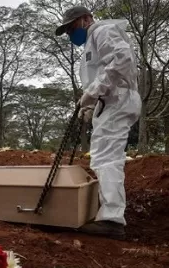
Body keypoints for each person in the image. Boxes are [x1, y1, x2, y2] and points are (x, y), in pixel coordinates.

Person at [55, 6, 141, 239]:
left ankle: (112, 219)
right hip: (111, 102)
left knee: (106, 157)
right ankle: (109, 211)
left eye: (72, 27)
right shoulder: (92, 42)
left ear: (86, 19)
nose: (72, 34)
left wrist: (93, 92)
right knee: (103, 155)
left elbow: (122, 59)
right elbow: (103, 72)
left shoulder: (102, 31)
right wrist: (90, 105)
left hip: (118, 100)